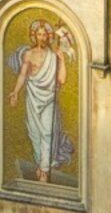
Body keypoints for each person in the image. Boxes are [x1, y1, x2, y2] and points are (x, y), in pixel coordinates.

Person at [17, 19, 71, 183]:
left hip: (49, 97)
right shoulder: (28, 54)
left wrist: (62, 60)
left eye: (44, 35)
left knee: (47, 132)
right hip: (33, 97)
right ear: (34, 36)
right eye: (38, 34)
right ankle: (41, 164)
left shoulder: (53, 56)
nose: (41, 37)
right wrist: (15, 92)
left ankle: (45, 171)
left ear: (48, 36)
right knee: (34, 133)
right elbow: (23, 75)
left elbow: (61, 80)